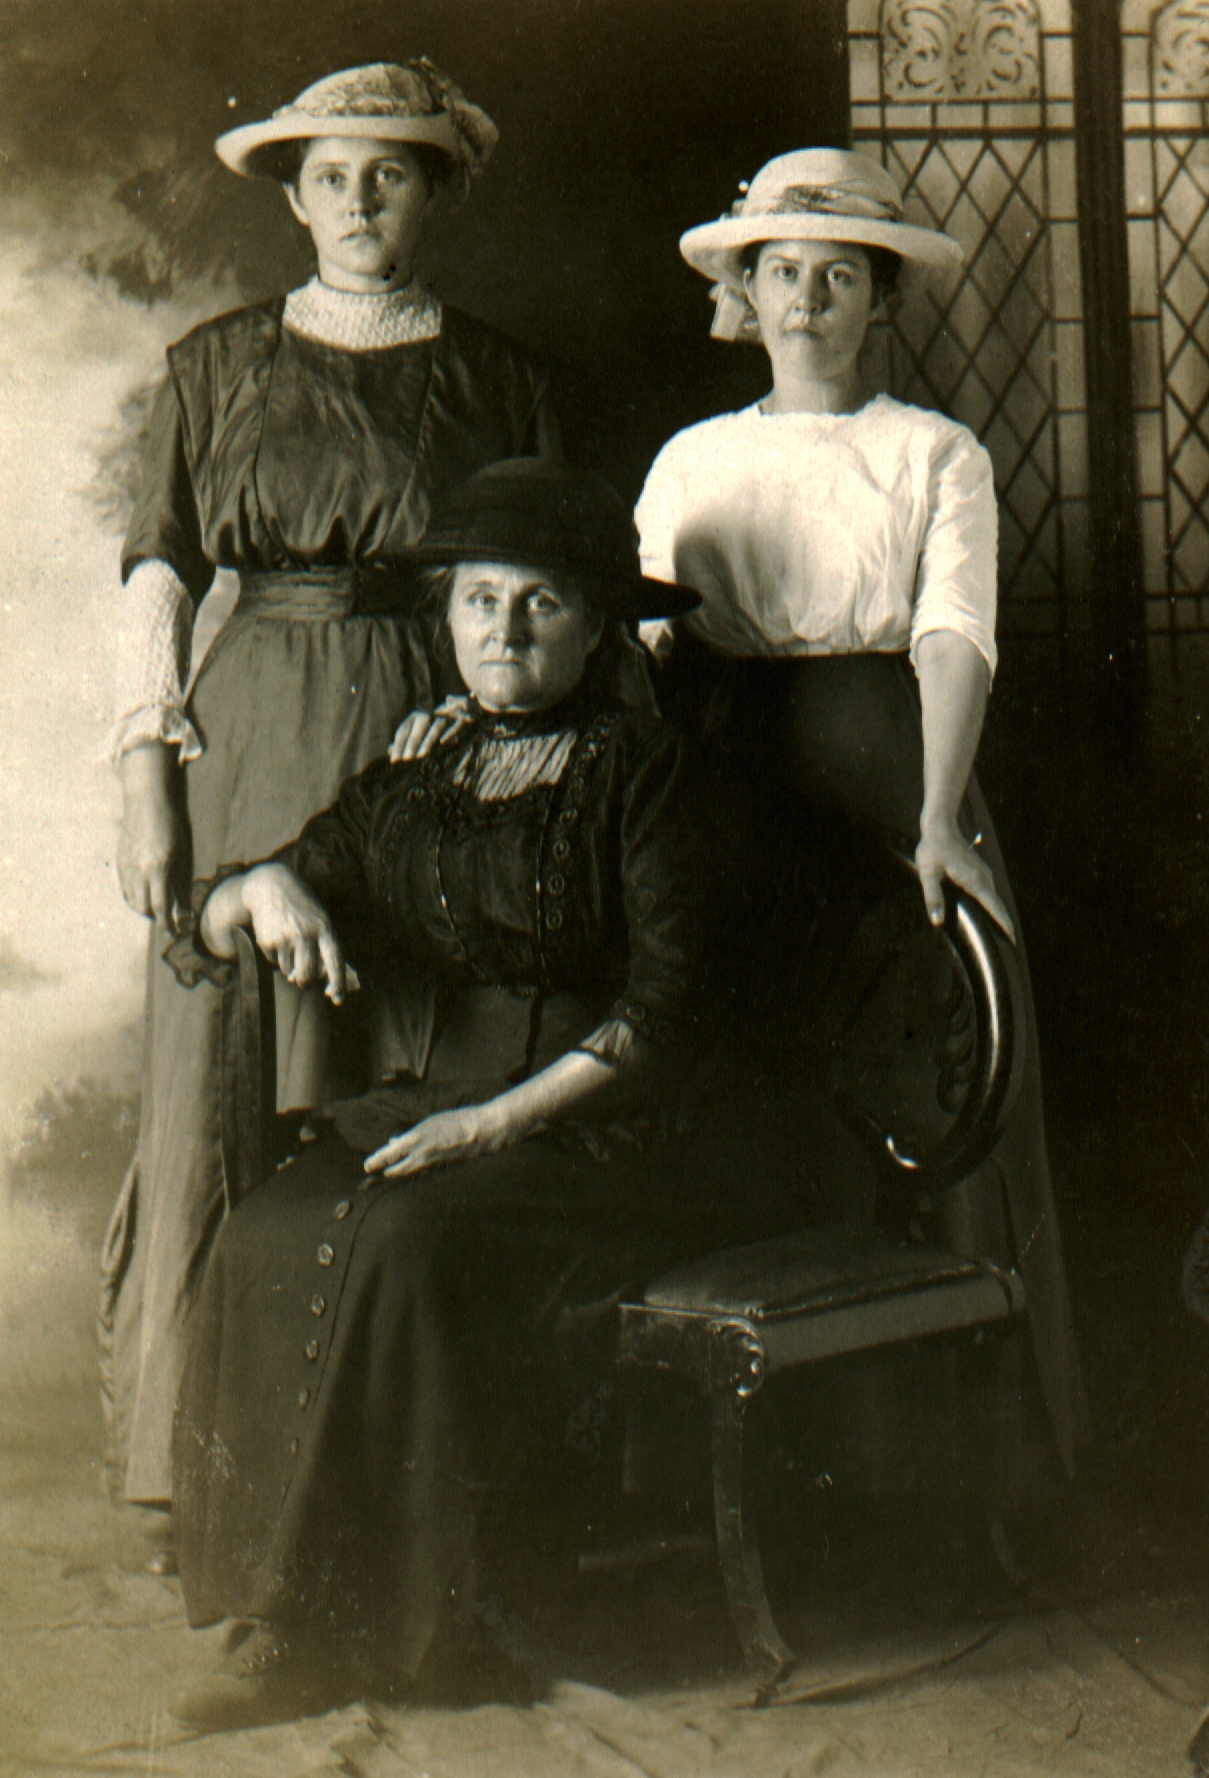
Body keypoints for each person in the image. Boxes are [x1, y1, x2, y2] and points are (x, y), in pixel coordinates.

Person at [162, 460, 754, 1728]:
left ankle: (407, 1628)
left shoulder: (647, 774)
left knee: (403, 1242)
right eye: (480, 600)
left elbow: (667, 1015)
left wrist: (493, 1121)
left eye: (542, 602)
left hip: (606, 1128)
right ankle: (283, 1614)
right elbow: (231, 906)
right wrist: (258, 888)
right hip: (442, 1107)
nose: (506, 632)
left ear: (598, 623)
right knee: (268, 1223)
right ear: (446, 616)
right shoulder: (421, 771)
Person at [100, 61, 560, 1529]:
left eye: (391, 175)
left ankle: (367, 1471)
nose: (361, 202)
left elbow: (542, 588)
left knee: (407, 1053)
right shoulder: (214, 367)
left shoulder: (498, 376)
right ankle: (198, 1462)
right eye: (333, 178)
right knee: (229, 1069)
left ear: (434, 193)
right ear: (294, 199)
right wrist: (146, 778)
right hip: (253, 733)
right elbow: (159, 571)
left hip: (432, 730)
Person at [631, 148, 1090, 1476]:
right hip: (730, 782)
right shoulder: (693, 460)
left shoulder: (933, 451)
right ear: (748, 290)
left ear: (881, 300)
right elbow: (645, 651)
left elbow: (953, 634)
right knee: (754, 1070)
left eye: (841, 276)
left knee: (938, 1068)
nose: (809, 299)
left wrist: (936, 814)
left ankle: (951, 1463)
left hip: (894, 767)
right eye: (785, 272)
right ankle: (781, 1465)